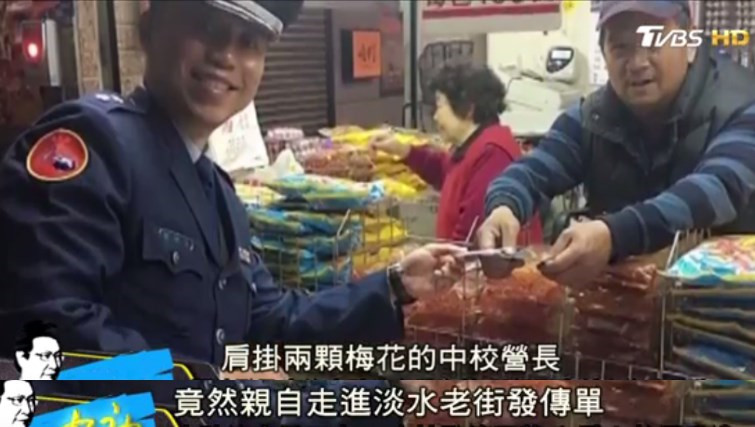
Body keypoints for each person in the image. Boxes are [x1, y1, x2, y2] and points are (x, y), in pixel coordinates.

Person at [0, 0, 465, 368]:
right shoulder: (93, 144)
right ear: (150, 31)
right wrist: (208, 390)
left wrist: (394, 284)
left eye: (249, 43)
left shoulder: (216, 189)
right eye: (206, 29)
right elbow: (50, 333)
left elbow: (267, 316)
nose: (225, 57)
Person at [477, 0, 755, 287]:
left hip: (730, 308)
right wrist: (504, 207)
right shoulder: (594, 117)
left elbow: (717, 187)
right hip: (624, 307)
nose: (637, 63)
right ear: (604, 53)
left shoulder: (742, 104)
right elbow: (535, 169)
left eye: (653, 42)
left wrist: (615, 234)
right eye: (621, 47)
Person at [371, 63, 542, 244]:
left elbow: (471, 235)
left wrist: (443, 258)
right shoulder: (472, 145)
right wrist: (403, 150)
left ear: (467, 108)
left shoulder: (493, 155)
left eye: (440, 105)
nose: (435, 116)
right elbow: (445, 170)